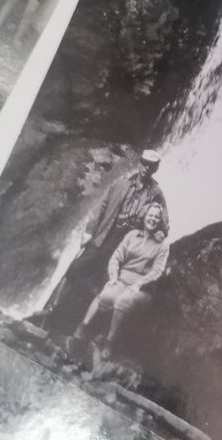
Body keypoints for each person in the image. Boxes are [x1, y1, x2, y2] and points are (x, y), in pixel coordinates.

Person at [31, 151, 169, 340]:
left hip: (124, 247)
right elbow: (102, 206)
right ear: (139, 164)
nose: (146, 168)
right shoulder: (122, 183)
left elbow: (164, 222)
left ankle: (80, 330)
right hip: (102, 237)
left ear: (155, 169)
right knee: (74, 271)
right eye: (144, 163)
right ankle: (51, 309)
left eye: (150, 166)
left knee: (104, 285)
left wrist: (159, 232)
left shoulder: (156, 194)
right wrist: (89, 230)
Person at [70, 202, 170, 362]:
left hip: (142, 288)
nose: (153, 219)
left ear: (160, 221)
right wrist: (113, 277)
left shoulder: (162, 245)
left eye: (157, 217)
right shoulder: (132, 235)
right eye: (150, 215)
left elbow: (157, 270)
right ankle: (84, 326)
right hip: (121, 280)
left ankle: (110, 342)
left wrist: (139, 284)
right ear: (145, 216)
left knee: (123, 301)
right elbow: (116, 257)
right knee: (106, 296)